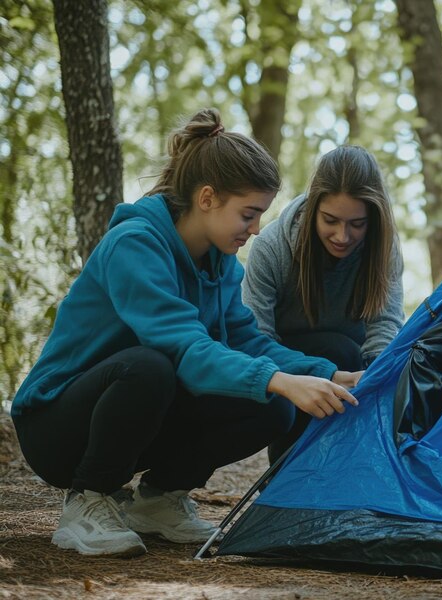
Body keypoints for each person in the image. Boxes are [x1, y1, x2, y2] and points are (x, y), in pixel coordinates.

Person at [10, 109, 362, 558]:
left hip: (138, 414)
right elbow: (183, 347)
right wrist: (279, 378)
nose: (256, 230)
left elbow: (247, 341)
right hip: (57, 428)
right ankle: (89, 499)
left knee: (273, 405)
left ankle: (158, 499)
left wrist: (328, 373)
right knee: (150, 365)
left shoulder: (220, 266)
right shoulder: (135, 244)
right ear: (208, 198)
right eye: (249, 214)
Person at [242, 145, 404, 465]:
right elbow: (254, 336)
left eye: (357, 224)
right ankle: (285, 473)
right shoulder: (272, 248)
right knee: (333, 348)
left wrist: (378, 377)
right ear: (313, 208)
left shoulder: (383, 250)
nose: (342, 236)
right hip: (284, 365)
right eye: (330, 220)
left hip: (350, 363)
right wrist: (310, 374)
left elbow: (384, 322)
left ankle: (343, 471)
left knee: (350, 353)